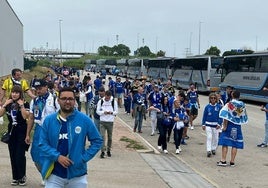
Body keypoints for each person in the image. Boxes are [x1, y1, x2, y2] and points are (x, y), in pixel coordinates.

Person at [39, 87, 103, 187]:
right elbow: (42, 144)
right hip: (54, 175)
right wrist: (57, 157)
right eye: (64, 99)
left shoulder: (84, 120)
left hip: (77, 176)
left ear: (74, 101)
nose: (67, 101)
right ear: (58, 100)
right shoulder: (49, 120)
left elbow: (97, 141)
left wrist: (82, 158)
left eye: (70, 99)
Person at [25, 79, 59, 185]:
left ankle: (50, 177)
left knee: (49, 153)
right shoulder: (35, 101)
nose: (38, 91)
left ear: (46, 87)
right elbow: (31, 117)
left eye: (40, 89)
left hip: (51, 130)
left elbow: (62, 116)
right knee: (35, 153)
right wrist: (28, 134)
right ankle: (44, 173)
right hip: (39, 129)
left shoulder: (54, 99)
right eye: (36, 89)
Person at [0, 85, 30, 186]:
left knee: (20, 155)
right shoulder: (8, 104)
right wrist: (4, 104)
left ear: (20, 94)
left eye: (17, 92)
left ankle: (22, 176)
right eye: (13, 92)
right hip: (11, 132)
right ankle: (15, 177)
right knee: (12, 155)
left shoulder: (25, 103)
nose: (14, 94)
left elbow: (25, 116)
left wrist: (21, 106)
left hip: (22, 131)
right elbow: (0, 114)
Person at [217, 90, 248, 167]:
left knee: (225, 142)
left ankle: (223, 160)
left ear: (232, 95)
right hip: (237, 126)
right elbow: (242, 116)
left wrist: (224, 126)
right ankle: (232, 161)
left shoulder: (229, 104)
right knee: (235, 144)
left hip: (229, 125)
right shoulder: (242, 105)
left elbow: (226, 116)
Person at [96, 90, 118, 158]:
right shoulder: (101, 101)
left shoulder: (113, 102)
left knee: (110, 137)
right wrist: (103, 112)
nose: (107, 99)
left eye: (108, 98)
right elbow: (97, 111)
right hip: (102, 121)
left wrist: (111, 113)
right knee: (102, 136)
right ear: (105, 95)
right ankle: (102, 151)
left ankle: (108, 150)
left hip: (110, 121)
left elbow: (116, 112)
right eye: (106, 97)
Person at [202, 93, 222, 157]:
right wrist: (203, 124)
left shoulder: (219, 106)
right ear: (210, 99)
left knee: (216, 138)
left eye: (214, 98)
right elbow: (204, 116)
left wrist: (219, 123)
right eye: (211, 98)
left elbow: (221, 116)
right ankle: (208, 150)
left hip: (216, 125)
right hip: (208, 124)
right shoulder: (207, 107)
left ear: (216, 99)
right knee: (209, 137)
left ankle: (213, 148)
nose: (213, 99)